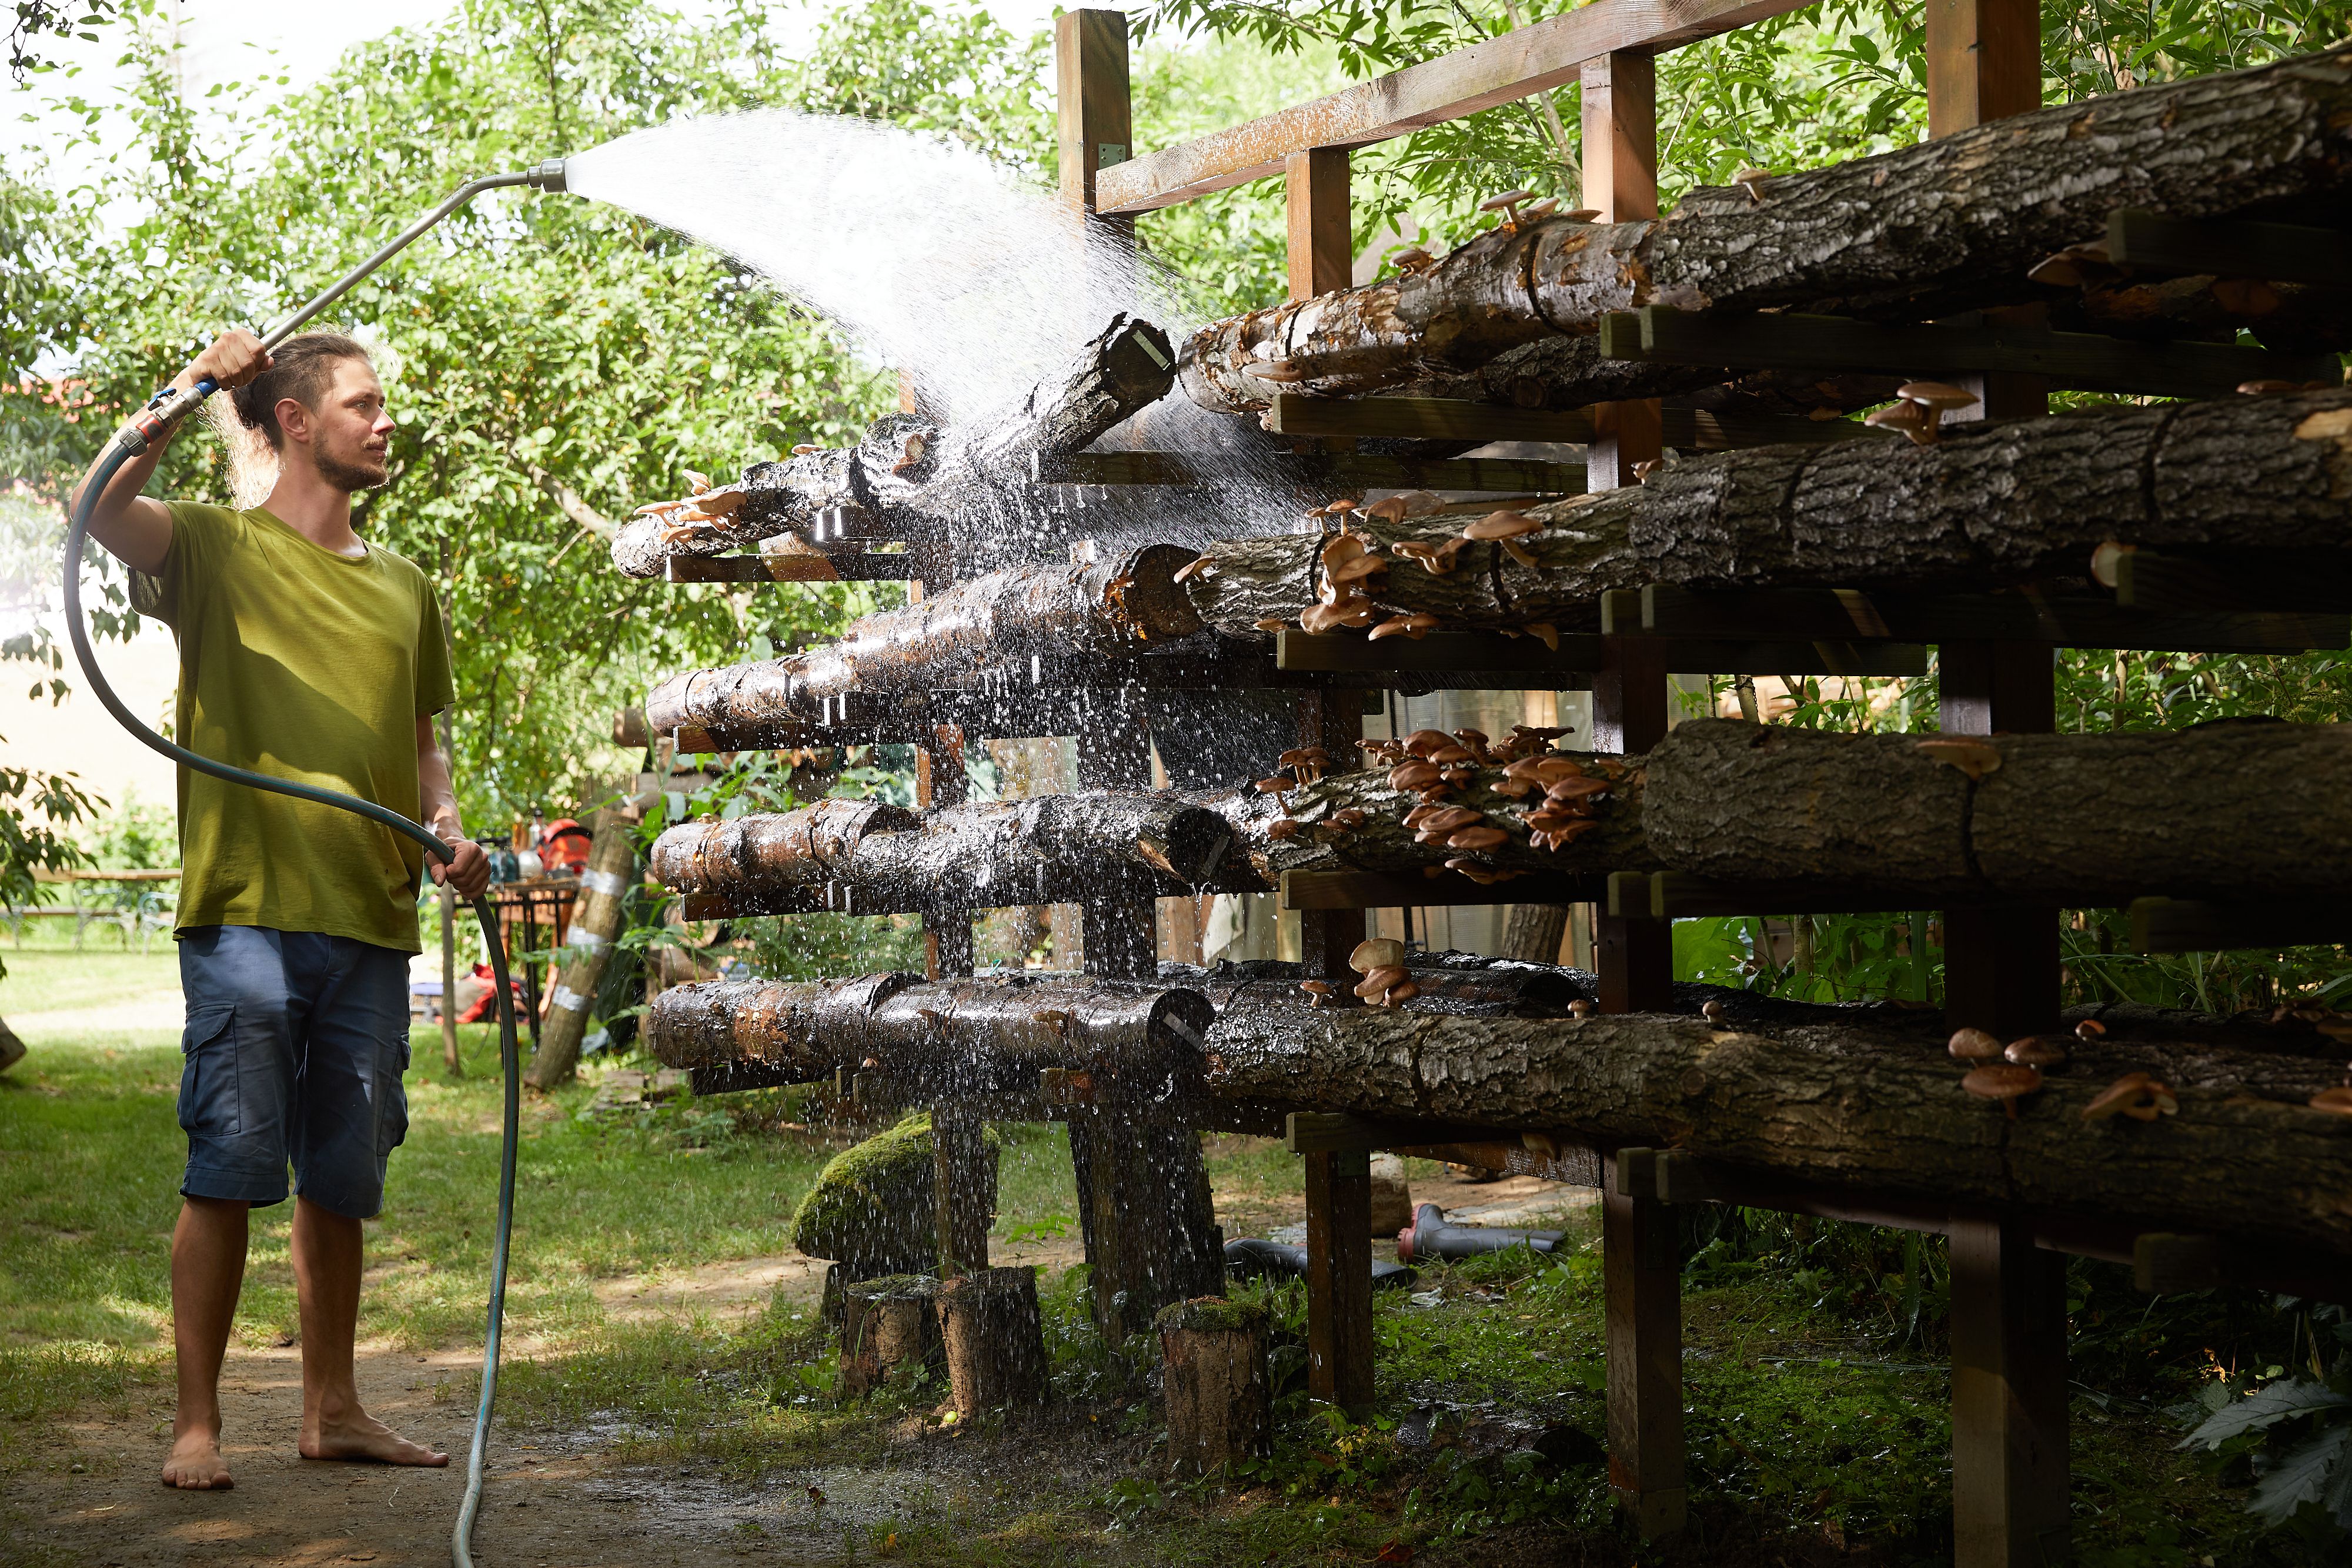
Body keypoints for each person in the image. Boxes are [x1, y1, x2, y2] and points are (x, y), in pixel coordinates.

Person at [71, 328, 492, 1492]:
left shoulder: (404, 587)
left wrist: (448, 826)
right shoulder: (208, 549)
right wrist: (194, 386)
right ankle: (198, 1422)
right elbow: (96, 507)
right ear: (297, 422)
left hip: (371, 918)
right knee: (228, 1161)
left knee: (342, 1179)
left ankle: (333, 1407)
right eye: (362, 404)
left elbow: (423, 748)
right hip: (245, 913)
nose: (386, 420)